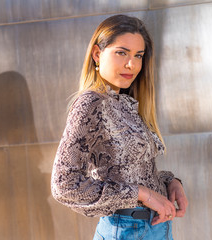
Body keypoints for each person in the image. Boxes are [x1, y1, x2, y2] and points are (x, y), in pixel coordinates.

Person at [51, 14, 188, 239]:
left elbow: (128, 170)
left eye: (138, 55)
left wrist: (169, 183)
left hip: (157, 227)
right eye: (121, 52)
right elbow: (64, 185)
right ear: (97, 54)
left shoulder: (125, 102)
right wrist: (143, 194)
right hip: (125, 229)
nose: (131, 64)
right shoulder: (91, 104)